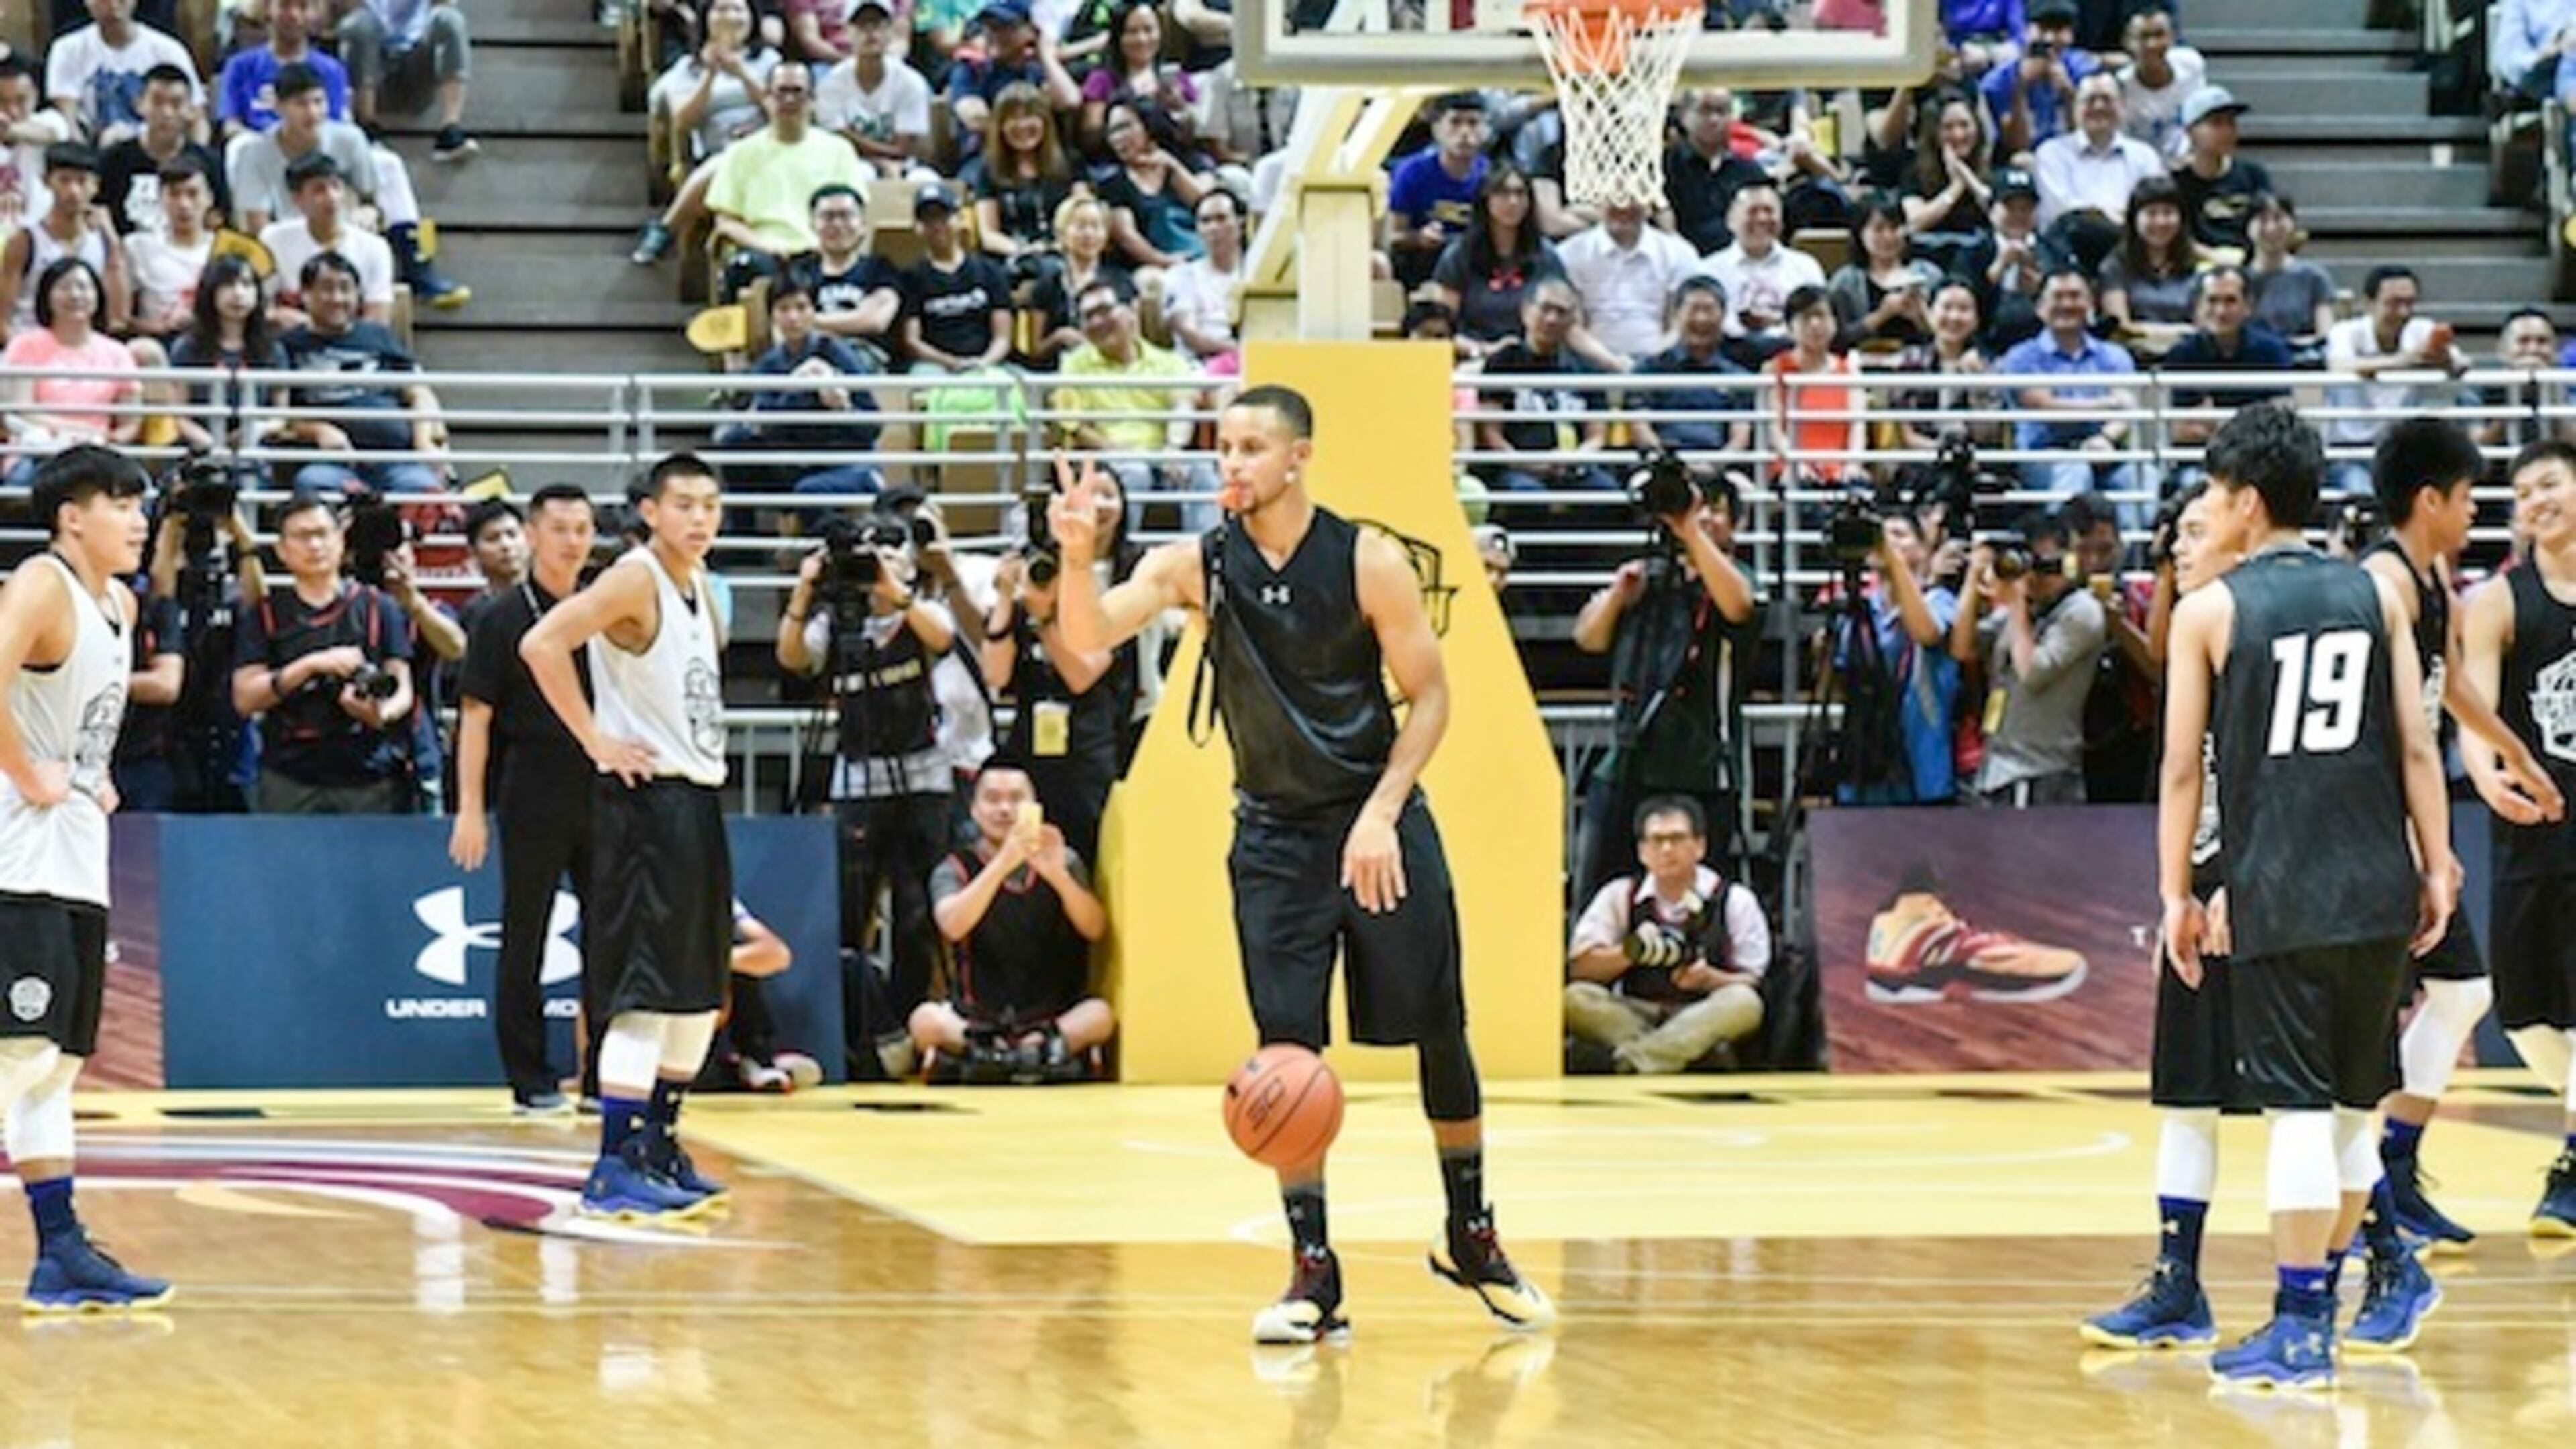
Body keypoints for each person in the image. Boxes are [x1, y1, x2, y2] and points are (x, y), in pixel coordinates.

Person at [1051, 384, 1556, 1342]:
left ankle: (1472, 1233)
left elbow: (1433, 699)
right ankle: (1313, 1276)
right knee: (1288, 1060)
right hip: (1275, 841)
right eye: (1221, 447)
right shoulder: (1196, 564)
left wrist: (1380, 812)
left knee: (1440, 1030)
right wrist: (1079, 562)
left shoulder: (1368, 559)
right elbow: (1083, 643)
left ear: (1298, 458)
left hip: (1377, 821)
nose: (1229, 464)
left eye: (1249, 448)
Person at [2082, 480, 2436, 1355]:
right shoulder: (2204, 634)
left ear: (2244, 525)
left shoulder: (2264, 622)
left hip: (2282, 887)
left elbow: (2310, 771)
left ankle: (2369, 1267)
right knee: (2193, 1098)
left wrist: (2245, 875)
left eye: (2198, 528)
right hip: (2228, 890)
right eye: (2174, 539)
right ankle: (2184, 1283)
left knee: (2316, 1108)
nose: (2183, 547)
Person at [2157, 401, 2455, 1390]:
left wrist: (2175, 896)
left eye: (2210, 493)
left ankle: (2299, 1323)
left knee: (2295, 1121)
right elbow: (2417, 741)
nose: (2205, 509)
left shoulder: (2211, 610)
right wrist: (2442, 862)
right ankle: (2330, 1300)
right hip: (2377, 882)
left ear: (2244, 503)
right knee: (2348, 1119)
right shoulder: (2378, 594)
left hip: (2278, 891)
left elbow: (2180, 777)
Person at [2365, 422, 2571, 1246]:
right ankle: (2376, 1188)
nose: (2488, 510)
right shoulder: (2393, 583)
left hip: (2406, 814)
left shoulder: (2431, 579)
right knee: (2445, 1009)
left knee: (2461, 994)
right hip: (2376, 816)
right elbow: (2418, 730)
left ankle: (2394, 1174)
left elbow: (2450, 693)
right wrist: (2441, 831)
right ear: (2432, 500)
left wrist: (2514, 752)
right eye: (2474, 496)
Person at [519, 453, 735, 1221]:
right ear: (649, 511)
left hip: (697, 799)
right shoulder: (634, 577)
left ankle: (659, 1143)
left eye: (710, 505)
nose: (700, 519)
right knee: (643, 996)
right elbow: (542, 644)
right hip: (646, 805)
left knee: (696, 996)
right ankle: (612, 1161)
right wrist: (595, 740)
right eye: (684, 505)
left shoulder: (699, 585)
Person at [0, 445, 170, 1311]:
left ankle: (60, 1253)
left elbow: (85, 719)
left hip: (72, 850)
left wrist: (83, 771)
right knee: (17, 1058)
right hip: (15, 855)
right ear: (73, 516)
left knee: (55, 1065)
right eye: (122, 503)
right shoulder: (40, 581)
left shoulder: (120, 600)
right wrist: (29, 770)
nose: (140, 519)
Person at [774, 513, 958, 1079]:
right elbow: (793, 659)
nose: (876, 562)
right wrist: (806, 589)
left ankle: (909, 1027)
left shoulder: (918, 610)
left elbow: (943, 637)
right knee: (849, 914)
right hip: (857, 778)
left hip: (922, 779)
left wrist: (891, 590)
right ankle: (861, 1034)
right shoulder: (836, 623)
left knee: (914, 915)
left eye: (890, 552)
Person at [450, 484, 601, 1117]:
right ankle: (530, 1079)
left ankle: (604, 1079)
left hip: (608, 787)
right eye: (560, 527)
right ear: (534, 534)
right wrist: (469, 808)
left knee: (612, 935)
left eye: (583, 528)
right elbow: (476, 716)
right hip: (531, 789)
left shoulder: (608, 605)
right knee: (524, 933)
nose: (573, 540)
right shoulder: (500, 616)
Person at [2460, 439, 2576, 1236]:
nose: (2537, 499)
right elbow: (2472, 708)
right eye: (2524, 490)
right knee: (2524, 1010)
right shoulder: (2501, 601)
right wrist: (2486, 774)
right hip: (2533, 829)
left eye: (2553, 485)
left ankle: (2571, 1161)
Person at [1568, 477, 1758, 900]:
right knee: (1601, 893)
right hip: (1627, 761)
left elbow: (1740, 607)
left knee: (1698, 902)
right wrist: (1619, 594)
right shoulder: (1645, 576)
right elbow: (1589, 638)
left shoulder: (1737, 579)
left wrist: (1689, 529)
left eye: (1716, 509)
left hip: (1703, 767)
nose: (1705, 516)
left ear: (1736, 523)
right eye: (1697, 507)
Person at [913, 759, 1114, 1081]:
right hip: (977, 1019)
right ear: (975, 810)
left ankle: (1014, 1057)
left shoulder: (1064, 860)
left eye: (1015, 799)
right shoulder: (955, 867)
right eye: (992, 799)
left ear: (1035, 808)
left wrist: (1058, 876)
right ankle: (1004, 1055)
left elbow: (1095, 928)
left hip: (1050, 1017)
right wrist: (1001, 865)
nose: (1004, 809)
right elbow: (951, 925)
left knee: (1100, 1016)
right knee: (924, 1021)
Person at [227, 491, 417, 813]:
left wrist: (380, 713)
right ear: (282, 550)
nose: (315, 546)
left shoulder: (377, 606)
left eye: (322, 534)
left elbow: (402, 685)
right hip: (288, 774)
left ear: (341, 540)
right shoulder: (265, 613)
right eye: (302, 537)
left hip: (368, 772)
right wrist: (313, 666)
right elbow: (245, 698)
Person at [1564, 796, 1769, 1075]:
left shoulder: (1734, 899)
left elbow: (1753, 980)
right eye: (1656, 840)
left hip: (1702, 1011)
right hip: (1637, 1013)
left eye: (1677, 839)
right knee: (1574, 999)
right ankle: (1673, 1054)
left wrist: (1708, 978)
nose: (1667, 849)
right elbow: (1580, 967)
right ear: (1641, 851)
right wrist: (1630, 951)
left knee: (1744, 1003)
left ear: (1699, 846)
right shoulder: (1621, 894)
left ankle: (1635, 1061)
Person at [1949, 506, 2108, 805]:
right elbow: (1962, 648)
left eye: (2044, 565)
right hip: (1997, 768)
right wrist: (1973, 579)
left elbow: (2034, 672)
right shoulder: (2024, 612)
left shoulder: (2082, 612)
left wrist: (2016, 602)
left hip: (2044, 773)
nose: (2035, 577)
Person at [274, 252, 449, 496]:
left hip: (396, 459)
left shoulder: (379, 336)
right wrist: (318, 430)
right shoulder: (288, 346)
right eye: (326, 289)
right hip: (331, 463)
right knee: (312, 484)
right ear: (305, 294)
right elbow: (280, 416)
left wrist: (424, 443)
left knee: (422, 488)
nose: (337, 298)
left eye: (346, 289)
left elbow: (419, 392)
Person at [1833, 508, 1964, 804]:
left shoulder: (1939, 600)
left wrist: (1894, 561)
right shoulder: (1861, 612)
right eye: (1883, 535)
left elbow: (1926, 633)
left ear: (1922, 550)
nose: (1887, 542)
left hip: (1921, 765)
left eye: (1900, 535)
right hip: (1868, 766)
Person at [2322, 266, 2469, 496]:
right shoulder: (2346, 332)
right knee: (2362, 496)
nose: (2403, 312)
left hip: (2404, 451)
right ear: (2369, 304)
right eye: (2393, 303)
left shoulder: (2422, 330)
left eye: (2410, 303)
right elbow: (2340, 365)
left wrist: (2443, 358)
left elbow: (2461, 363)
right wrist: (2406, 360)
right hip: (2351, 452)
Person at [1, 257, 141, 486]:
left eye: (83, 287)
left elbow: (130, 424)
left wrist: (107, 440)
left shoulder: (117, 352)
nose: (75, 295)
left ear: (97, 296)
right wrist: (76, 431)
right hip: (39, 449)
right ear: (47, 296)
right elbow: (22, 409)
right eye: (65, 287)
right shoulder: (25, 345)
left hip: (97, 452)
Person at [1430, 164, 1564, 355]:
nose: (1513, 202)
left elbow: (1562, 317)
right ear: (1486, 199)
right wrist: (1485, 350)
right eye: (1503, 193)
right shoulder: (1459, 255)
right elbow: (1441, 329)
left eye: (1520, 193)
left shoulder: (1545, 254)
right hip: (1474, 359)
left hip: (1534, 359)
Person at [1557, 196, 1697, 366]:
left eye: (1633, 199)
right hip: (1588, 365)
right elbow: (1571, 326)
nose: (1624, 208)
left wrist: (1647, 366)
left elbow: (1680, 325)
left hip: (1661, 365)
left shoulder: (1679, 253)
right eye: (1615, 200)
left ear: (1649, 205)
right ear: (1598, 204)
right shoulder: (1569, 253)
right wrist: (1612, 363)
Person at [2163, 267, 2294, 446]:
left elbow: (2283, 423)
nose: (2221, 311)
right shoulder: (2181, 354)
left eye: (2230, 301)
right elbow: (2178, 432)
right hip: (2199, 460)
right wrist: (2254, 424)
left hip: (2259, 457)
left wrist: (2216, 424)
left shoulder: (2273, 350)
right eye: (2212, 300)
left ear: (2248, 306)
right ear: (2199, 306)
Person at [260, 152, 395, 324]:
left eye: (336, 187)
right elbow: (263, 306)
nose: (331, 197)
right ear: (297, 199)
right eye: (319, 190)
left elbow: (378, 318)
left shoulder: (375, 247)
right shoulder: (273, 239)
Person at [335, 0, 480, 160]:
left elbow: (445, 4)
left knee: (451, 19)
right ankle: (367, 126)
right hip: (373, 63)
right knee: (360, 24)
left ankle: (450, 129)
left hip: (416, 59)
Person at [44, 0, 199, 148]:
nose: (113, 4)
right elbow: (67, 116)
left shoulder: (169, 50)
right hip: (92, 148)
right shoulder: (66, 48)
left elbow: (197, 115)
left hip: (156, 148)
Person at [1692, 180, 1824, 351]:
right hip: (1728, 357)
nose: (1762, 219)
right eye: (1752, 211)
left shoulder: (1806, 266)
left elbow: (1817, 318)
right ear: (1730, 221)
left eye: (1769, 211)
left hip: (1794, 356)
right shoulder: (1708, 270)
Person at [97, 62, 225, 235]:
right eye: (157, 102)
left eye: (176, 104)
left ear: (190, 110)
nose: (167, 113)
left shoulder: (210, 162)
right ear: (139, 105)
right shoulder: (113, 160)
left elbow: (219, 220)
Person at [814, 0, 932, 176]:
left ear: (890, 31)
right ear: (847, 32)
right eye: (861, 25)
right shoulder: (830, 84)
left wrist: (852, 137)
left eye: (877, 24)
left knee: (924, 178)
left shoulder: (911, 82)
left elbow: (905, 149)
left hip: (905, 165)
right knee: (862, 173)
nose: (870, 32)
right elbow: (838, 142)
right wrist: (880, 161)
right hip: (850, 164)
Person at [1385, 91, 1488, 290]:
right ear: (1437, 129)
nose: (1465, 132)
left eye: (1473, 123)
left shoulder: (1490, 175)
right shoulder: (1411, 173)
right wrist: (1419, 238)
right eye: (1455, 123)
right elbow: (1393, 237)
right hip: (1422, 266)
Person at [2171, 85, 2271, 255]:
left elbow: (2270, 220)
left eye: (2231, 123)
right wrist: (2213, 256)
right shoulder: (2175, 183)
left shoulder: (2254, 175)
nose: (2227, 132)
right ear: (2190, 132)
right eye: (2216, 123)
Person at [2242, 193, 2335, 359]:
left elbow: (2325, 336)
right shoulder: (2237, 279)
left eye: (2279, 219)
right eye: (2263, 220)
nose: (2271, 228)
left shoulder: (2315, 277)